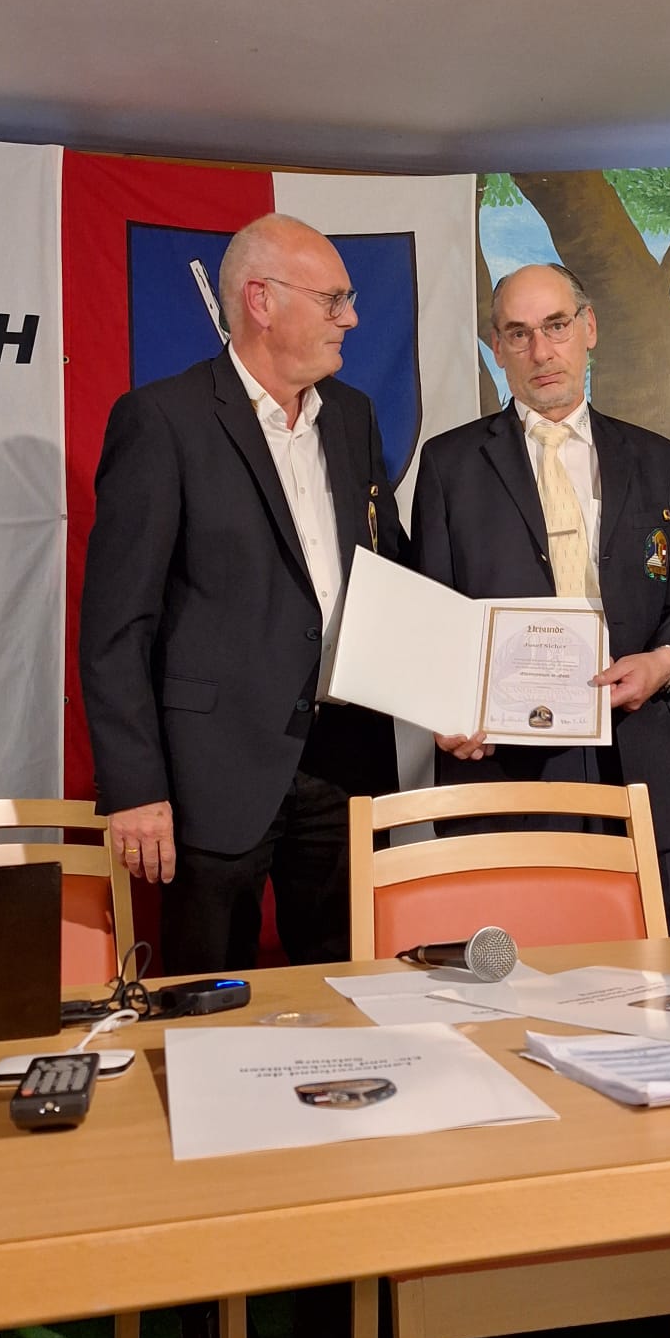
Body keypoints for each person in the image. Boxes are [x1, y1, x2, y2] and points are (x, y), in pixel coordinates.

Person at [79, 212, 401, 974]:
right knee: (207, 1000)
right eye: (334, 300)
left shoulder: (352, 416)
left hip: (345, 765)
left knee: (349, 991)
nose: (352, 318)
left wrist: (458, 691)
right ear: (262, 301)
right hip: (213, 777)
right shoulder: (163, 420)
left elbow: (389, 575)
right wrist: (135, 786)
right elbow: (117, 625)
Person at [412, 262, 670, 932]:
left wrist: (665, 663)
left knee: (654, 970)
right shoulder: (450, 464)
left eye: (557, 326)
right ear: (497, 347)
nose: (541, 351)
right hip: (503, 776)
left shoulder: (656, 459)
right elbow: (431, 618)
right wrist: (446, 707)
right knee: (517, 977)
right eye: (519, 334)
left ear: (588, 327)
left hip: (637, 766)